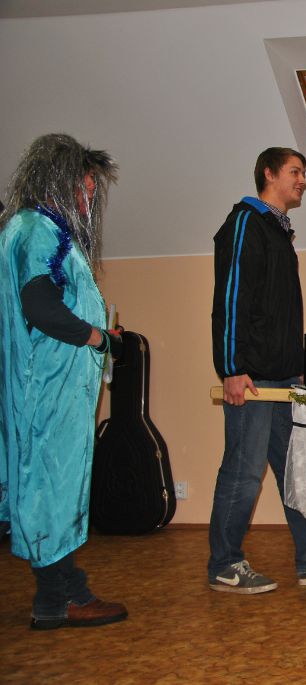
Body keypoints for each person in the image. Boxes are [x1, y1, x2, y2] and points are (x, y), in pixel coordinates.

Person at [209, 147, 306, 593]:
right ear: (269, 173)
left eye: (304, 173)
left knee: (297, 469)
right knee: (243, 472)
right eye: (295, 172)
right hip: (252, 377)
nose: (303, 180)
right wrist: (232, 368)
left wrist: (296, 367)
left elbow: (280, 312)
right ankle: (224, 563)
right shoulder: (245, 222)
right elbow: (231, 300)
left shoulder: (278, 232)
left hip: (281, 379)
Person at [0, 133, 128, 629]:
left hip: (52, 388)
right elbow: (41, 306)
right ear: (59, 179)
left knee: (49, 487)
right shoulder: (38, 231)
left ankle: (64, 593)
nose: (90, 197)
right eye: (86, 186)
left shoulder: (32, 228)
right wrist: (96, 337)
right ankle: (59, 601)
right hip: (49, 391)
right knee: (51, 488)